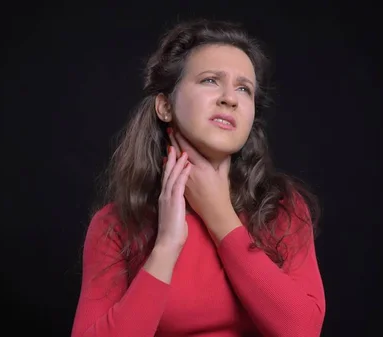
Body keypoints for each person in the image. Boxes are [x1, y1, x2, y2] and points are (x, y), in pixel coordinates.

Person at [71, 18, 326, 337]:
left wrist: (220, 218)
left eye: (244, 88)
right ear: (165, 106)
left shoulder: (282, 208)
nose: (230, 98)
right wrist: (166, 246)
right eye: (210, 81)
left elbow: (302, 329)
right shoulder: (116, 225)